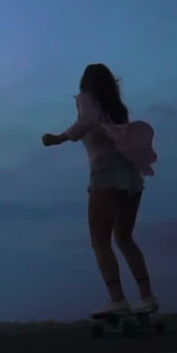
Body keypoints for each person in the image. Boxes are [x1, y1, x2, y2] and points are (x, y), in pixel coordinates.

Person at [42, 63, 159, 318]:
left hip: (106, 176)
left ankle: (117, 300)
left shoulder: (87, 103)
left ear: (86, 85)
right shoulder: (116, 109)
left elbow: (85, 121)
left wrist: (57, 139)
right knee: (125, 239)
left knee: (100, 240)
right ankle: (146, 297)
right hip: (131, 179)